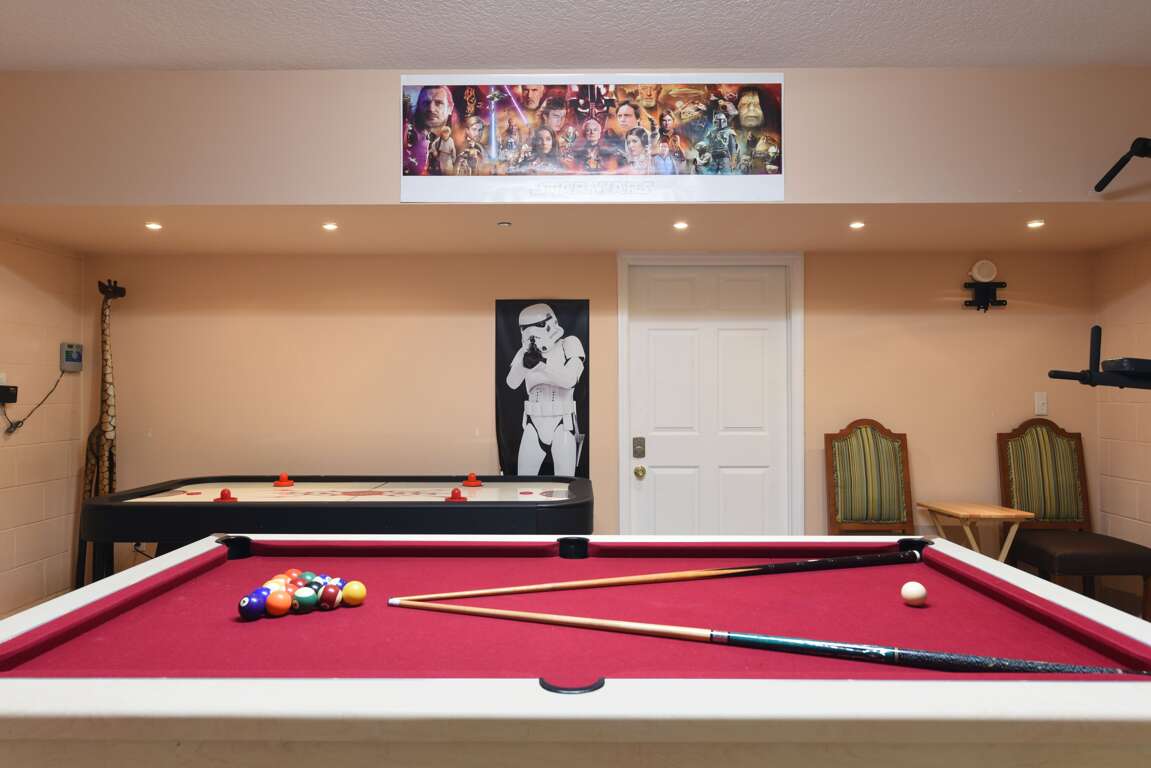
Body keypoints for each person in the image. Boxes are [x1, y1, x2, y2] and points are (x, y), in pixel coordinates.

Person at [505, 304, 585, 476]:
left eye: (536, 326)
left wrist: (542, 364)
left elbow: (570, 379)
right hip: (533, 424)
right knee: (524, 483)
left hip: (562, 424)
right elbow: (511, 383)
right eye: (525, 329)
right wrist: (524, 365)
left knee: (565, 483)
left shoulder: (568, 344)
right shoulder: (524, 352)